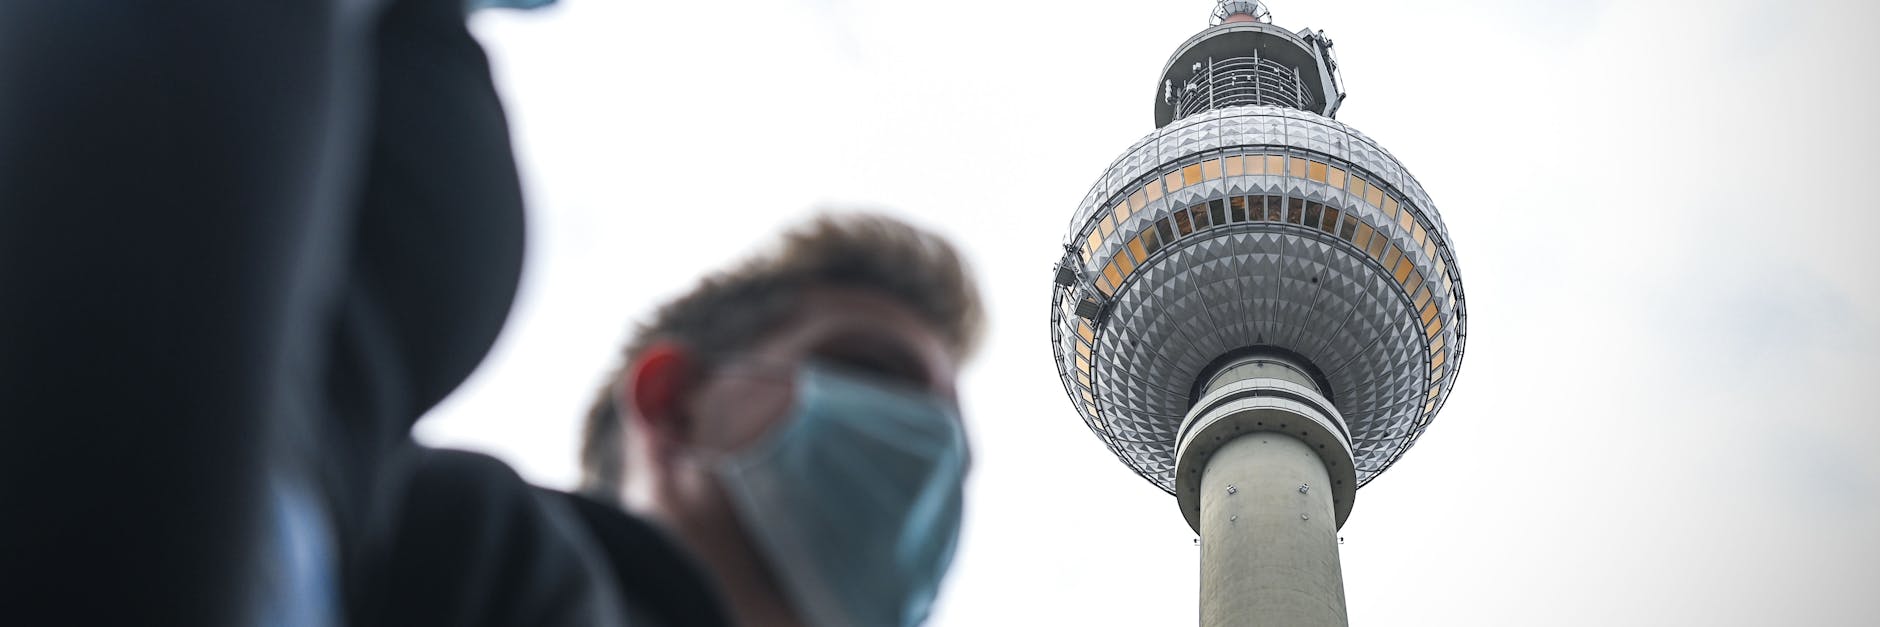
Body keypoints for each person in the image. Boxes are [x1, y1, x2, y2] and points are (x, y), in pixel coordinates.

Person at [575, 213, 985, 627]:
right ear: (674, 404)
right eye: (874, 372)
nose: (922, 447)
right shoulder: (534, 575)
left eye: (954, 445)